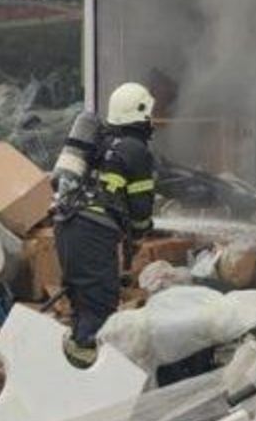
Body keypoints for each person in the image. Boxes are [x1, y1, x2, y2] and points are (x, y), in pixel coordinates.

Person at [55, 82, 158, 368]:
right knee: (99, 307)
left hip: (66, 225)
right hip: (92, 232)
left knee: (82, 301)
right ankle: (88, 372)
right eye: (148, 113)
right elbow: (140, 209)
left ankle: (75, 360)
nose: (151, 120)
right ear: (140, 114)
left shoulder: (100, 141)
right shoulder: (136, 150)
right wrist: (139, 234)